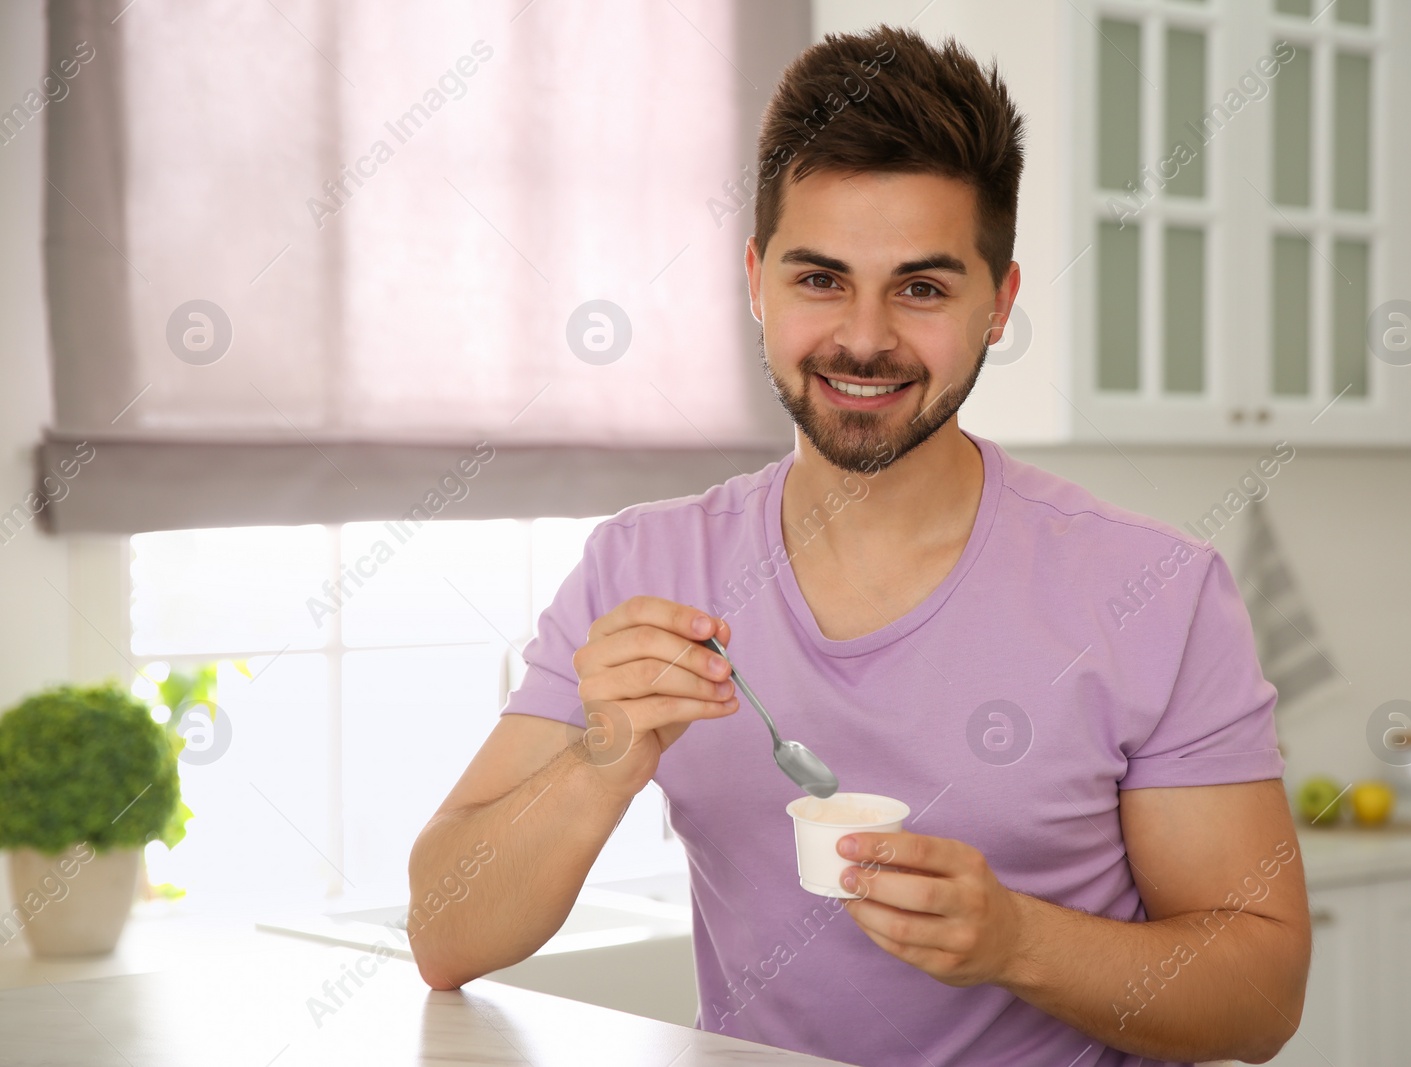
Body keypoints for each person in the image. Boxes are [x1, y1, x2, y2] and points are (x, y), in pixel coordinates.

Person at [408, 23, 1310, 1067]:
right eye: (819, 278)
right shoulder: (644, 570)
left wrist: (1018, 940)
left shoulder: (1154, 593)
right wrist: (598, 756)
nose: (866, 336)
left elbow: (1259, 997)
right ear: (756, 281)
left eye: (921, 287)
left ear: (997, 304)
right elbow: (444, 932)